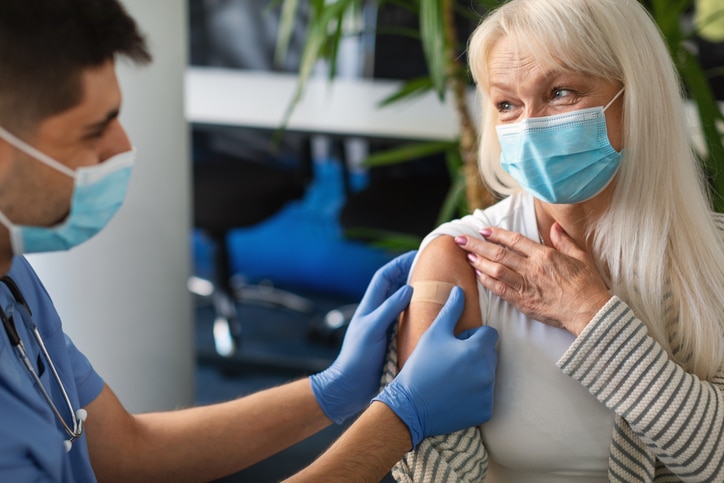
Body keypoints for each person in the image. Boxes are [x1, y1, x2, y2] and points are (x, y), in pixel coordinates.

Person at [0, 1, 500, 481]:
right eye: (94, 131)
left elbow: (124, 451)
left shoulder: (13, 275)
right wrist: (399, 421)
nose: (124, 148)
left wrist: (331, 391)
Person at [384, 0, 724, 481]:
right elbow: (433, 474)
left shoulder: (715, 257)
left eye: (561, 92)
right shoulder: (462, 259)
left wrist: (588, 312)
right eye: (507, 104)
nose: (529, 124)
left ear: (636, 96)